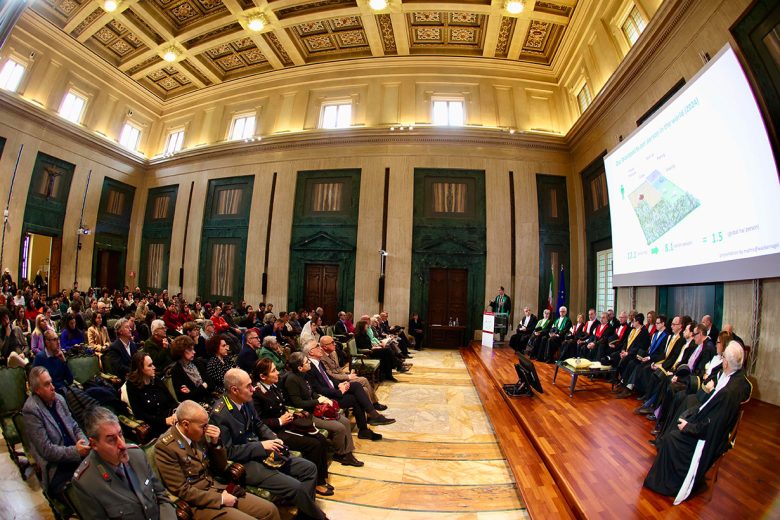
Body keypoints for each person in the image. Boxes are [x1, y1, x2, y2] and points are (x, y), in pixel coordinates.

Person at [644, 342, 751, 504]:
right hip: (708, 423)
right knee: (680, 417)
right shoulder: (734, 377)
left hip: (709, 437)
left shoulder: (730, 392)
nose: (721, 361)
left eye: (723, 358)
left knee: (673, 439)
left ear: (727, 362)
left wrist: (690, 427)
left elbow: (714, 424)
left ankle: (666, 483)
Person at [211, 368, 326, 520]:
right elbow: (229, 452)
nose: (253, 389)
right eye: (248, 386)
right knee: (296, 486)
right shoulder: (221, 414)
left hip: (261, 450)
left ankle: (305, 513)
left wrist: (272, 437)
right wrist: (261, 446)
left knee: (309, 468)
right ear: (234, 390)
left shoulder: (247, 400)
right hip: (245, 463)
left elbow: (258, 425)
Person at [69, 406, 175, 519]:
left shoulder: (136, 454)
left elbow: (161, 496)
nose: (122, 445)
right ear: (94, 444)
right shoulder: (86, 482)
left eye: (120, 434)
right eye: (111, 440)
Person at [252, 358, 333, 496]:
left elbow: (281, 406)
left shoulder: (273, 386)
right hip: (275, 432)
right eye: (273, 371)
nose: (278, 373)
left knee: (320, 438)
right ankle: (316, 483)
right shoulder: (257, 394)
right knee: (313, 444)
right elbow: (258, 422)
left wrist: (292, 414)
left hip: (287, 423)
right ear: (262, 376)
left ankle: (321, 477)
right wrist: (279, 421)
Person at [284, 352, 364, 468]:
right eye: (307, 362)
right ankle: (340, 453)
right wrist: (318, 401)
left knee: (345, 421)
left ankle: (347, 452)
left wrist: (322, 398)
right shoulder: (292, 380)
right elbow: (298, 403)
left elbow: (312, 392)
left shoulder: (305, 375)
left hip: (317, 408)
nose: (309, 362)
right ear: (300, 367)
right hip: (308, 414)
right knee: (339, 428)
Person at [22, 367, 91, 500]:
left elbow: (75, 426)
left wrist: (85, 444)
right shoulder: (31, 411)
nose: (53, 387)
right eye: (47, 384)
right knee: (87, 496)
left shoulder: (58, 399)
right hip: (58, 469)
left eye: (51, 382)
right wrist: (76, 451)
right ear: (37, 390)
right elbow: (47, 451)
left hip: (80, 457)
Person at [304, 340, 393, 433]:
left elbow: (329, 377)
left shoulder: (318, 362)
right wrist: (339, 391)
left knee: (357, 386)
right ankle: (368, 424)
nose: (320, 348)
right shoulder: (309, 367)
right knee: (356, 397)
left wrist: (339, 384)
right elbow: (319, 389)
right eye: (317, 346)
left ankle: (369, 422)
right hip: (328, 398)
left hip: (334, 389)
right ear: (311, 352)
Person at [318, 335, 386, 410]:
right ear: (325, 347)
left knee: (364, 386)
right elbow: (329, 375)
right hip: (336, 382)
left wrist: (347, 375)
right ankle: (373, 405)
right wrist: (347, 377)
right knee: (363, 380)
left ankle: (371, 405)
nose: (335, 344)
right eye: (332, 342)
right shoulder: (321, 358)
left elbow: (338, 368)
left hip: (341, 376)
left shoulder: (333, 352)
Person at [125, 352, 178, 438]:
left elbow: (172, 401)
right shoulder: (132, 386)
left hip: (171, 419)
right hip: (154, 427)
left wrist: (175, 413)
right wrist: (164, 421)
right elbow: (139, 414)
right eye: (150, 366)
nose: (154, 367)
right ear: (140, 369)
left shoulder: (156, 380)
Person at [170, 335, 210, 403]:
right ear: (181, 351)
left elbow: (211, 384)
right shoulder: (176, 371)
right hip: (194, 405)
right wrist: (203, 386)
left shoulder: (197, 362)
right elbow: (183, 398)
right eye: (190, 349)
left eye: (193, 349)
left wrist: (192, 392)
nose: (194, 352)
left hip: (209, 398)